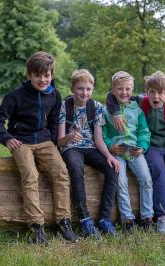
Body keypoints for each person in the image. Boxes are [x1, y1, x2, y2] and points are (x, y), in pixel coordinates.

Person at [0, 51, 77, 245]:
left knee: (61, 172)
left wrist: (54, 144)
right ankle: (36, 227)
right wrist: (6, 138)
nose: (42, 79)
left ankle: (64, 221)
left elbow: (54, 122)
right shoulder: (15, 96)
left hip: (45, 141)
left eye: (46, 75)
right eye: (38, 75)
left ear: (52, 75)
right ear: (29, 75)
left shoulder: (54, 94)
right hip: (21, 141)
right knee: (30, 175)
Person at [106, 71, 165, 234]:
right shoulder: (140, 101)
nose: (156, 96)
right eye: (152, 92)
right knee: (159, 171)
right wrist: (116, 113)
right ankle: (162, 216)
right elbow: (111, 96)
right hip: (151, 147)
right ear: (146, 91)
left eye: (160, 92)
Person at [57, 69, 120, 239]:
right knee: (76, 168)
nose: (84, 92)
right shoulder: (65, 106)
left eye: (88, 89)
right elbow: (60, 141)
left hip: (91, 147)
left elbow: (98, 139)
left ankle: (104, 218)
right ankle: (85, 219)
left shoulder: (96, 107)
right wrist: (70, 137)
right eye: (80, 88)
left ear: (92, 89)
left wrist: (108, 155)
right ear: (72, 89)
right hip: (71, 148)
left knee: (112, 168)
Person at [102, 71, 154, 234]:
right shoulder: (105, 111)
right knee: (121, 182)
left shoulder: (137, 109)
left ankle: (147, 217)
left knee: (146, 179)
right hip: (117, 151)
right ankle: (127, 219)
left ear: (132, 89)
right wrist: (111, 146)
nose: (124, 92)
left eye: (128, 89)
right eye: (120, 89)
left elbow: (144, 132)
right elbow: (103, 135)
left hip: (134, 150)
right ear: (112, 90)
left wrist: (142, 146)